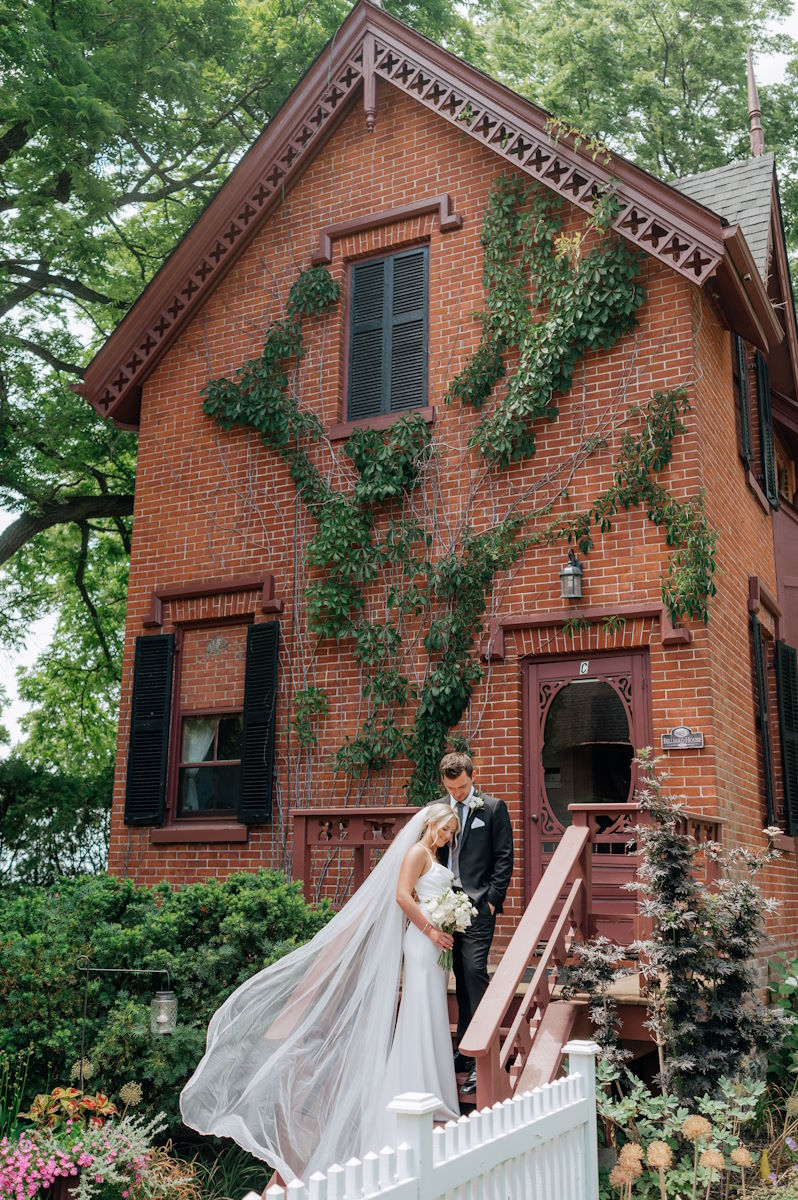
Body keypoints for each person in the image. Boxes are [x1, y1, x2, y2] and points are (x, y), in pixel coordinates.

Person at [179, 802, 463, 1183]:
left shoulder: (433, 855)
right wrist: (430, 928)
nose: (446, 837)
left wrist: (451, 916)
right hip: (423, 941)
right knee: (418, 1011)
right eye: (444, 829)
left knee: (430, 1011)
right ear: (430, 823)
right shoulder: (416, 852)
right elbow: (401, 895)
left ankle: (434, 1084)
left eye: (451, 834)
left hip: (435, 945)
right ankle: (415, 1084)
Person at [436, 751, 514, 1096]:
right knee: (460, 979)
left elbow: (504, 856)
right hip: (443, 905)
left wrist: (493, 900)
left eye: (463, 786)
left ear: (473, 776)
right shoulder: (438, 809)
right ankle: (465, 1052)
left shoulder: (493, 808)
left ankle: (481, 1055)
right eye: (452, 787)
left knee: (474, 972)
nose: (458, 793)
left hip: (479, 905)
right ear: (444, 783)